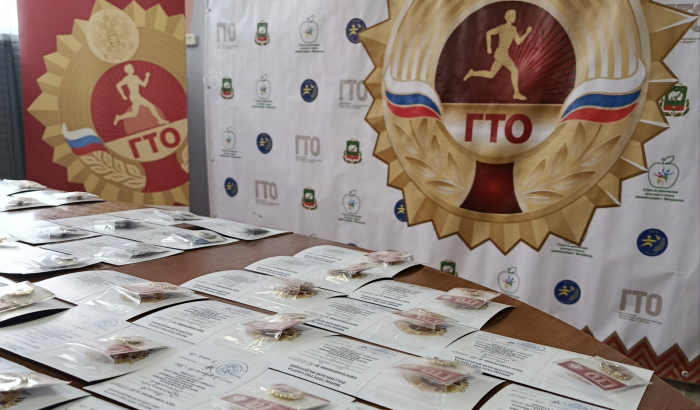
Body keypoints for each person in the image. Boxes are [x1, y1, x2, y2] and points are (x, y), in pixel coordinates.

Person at [463, 10, 532, 100]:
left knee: (491, 74)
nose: (515, 18)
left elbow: (518, 42)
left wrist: (527, 33)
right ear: (508, 18)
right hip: (500, 53)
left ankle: (473, 73)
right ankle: (516, 93)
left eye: (515, 16)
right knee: (515, 70)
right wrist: (489, 47)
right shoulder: (502, 28)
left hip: (504, 53)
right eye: (513, 16)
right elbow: (488, 33)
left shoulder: (513, 29)